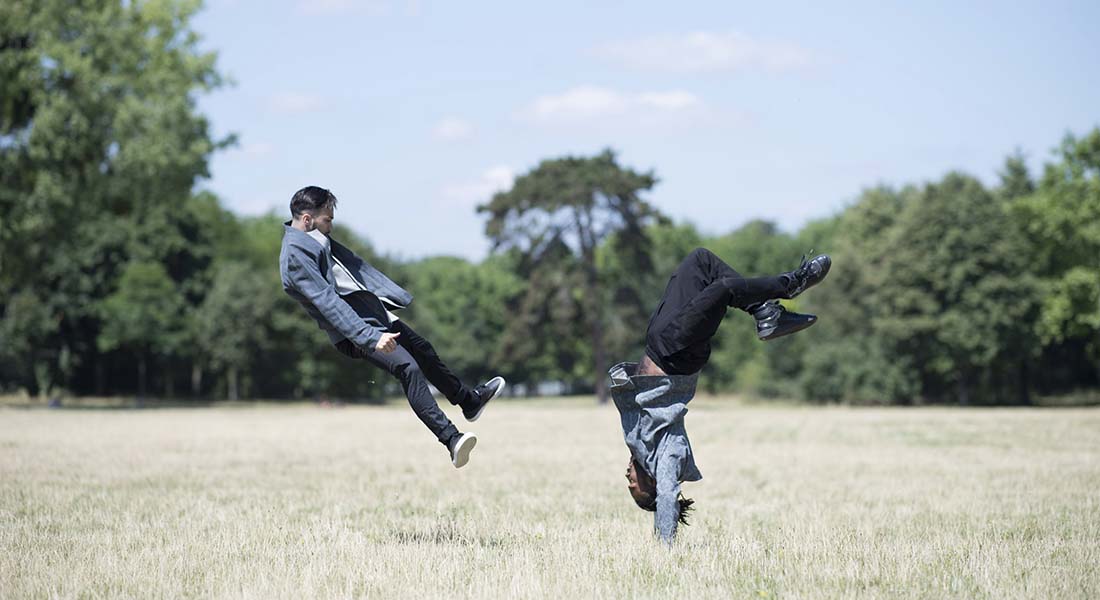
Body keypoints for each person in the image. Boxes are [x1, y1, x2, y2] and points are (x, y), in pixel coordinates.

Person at [612, 247, 831, 542]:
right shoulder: (668, 453)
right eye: (634, 487)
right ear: (652, 482)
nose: (627, 479)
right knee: (723, 289)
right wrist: (664, 546)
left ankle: (766, 313)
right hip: (677, 354)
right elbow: (667, 498)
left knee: (700, 261)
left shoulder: (634, 440)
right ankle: (792, 284)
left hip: (657, 342)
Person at [278, 185, 505, 468]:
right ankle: (451, 439)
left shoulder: (314, 239)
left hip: (373, 318)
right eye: (328, 219)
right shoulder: (295, 257)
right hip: (354, 332)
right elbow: (328, 303)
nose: (331, 225)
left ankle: (469, 401)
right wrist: (370, 337)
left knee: (423, 349)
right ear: (308, 219)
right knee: (407, 368)